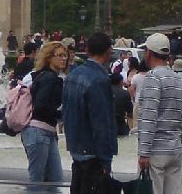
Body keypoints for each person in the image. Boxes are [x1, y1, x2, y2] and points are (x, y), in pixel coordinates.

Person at [62, 32, 118, 194]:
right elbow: (101, 122)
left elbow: (66, 112)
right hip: (93, 153)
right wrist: (106, 159)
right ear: (108, 52)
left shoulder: (72, 75)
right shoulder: (99, 80)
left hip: (76, 150)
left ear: (87, 50)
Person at [138, 33, 182, 194]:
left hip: (156, 151)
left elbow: (149, 116)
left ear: (149, 53)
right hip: (175, 149)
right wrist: (178, 140)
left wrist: (144, 153)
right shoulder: (179, 80)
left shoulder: (152, 78)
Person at [21, 41, 66, 184]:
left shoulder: (43, 76)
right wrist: (62, 115)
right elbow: (41, 106)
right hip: (38, 131)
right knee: (38, 181)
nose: (64, 58)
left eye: (65, 55)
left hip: (44, 131)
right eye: (59, 55)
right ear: (49, 57)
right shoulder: (48, 78)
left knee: (54, 180)